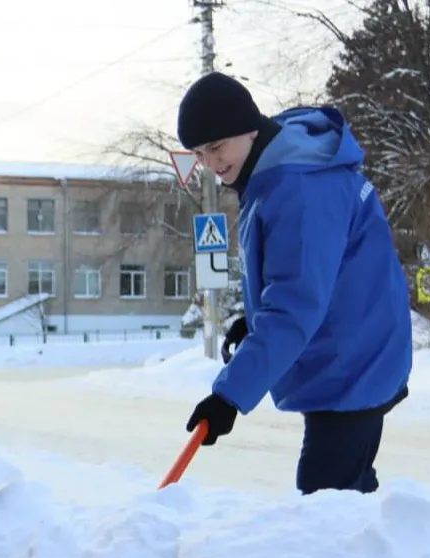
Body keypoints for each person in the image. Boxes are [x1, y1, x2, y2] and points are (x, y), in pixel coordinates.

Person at [176, 71, 413, 495]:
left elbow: (295, 304)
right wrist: (253, 321)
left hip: (354, 361)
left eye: (216, 147)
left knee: (326, 503)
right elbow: (305, 277)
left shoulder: (299, 187)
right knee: (344, 499)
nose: (211, 163)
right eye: (199, 152)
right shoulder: (278, 170)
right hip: (349, 348)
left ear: (249, 128)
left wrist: (229, 396)